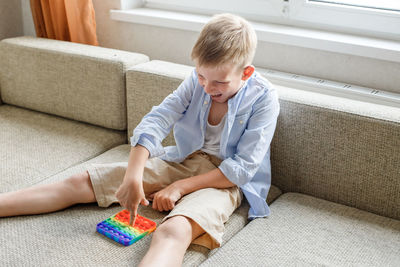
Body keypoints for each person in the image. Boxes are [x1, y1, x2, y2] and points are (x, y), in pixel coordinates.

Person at [0, 13, 280, 266]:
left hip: (223, 181)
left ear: (245, 73)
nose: (206, 87)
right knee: (82, 181)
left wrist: (180, 187)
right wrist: (133, 174)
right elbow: (157, 119)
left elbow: (241, 169)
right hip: (183, 160)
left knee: (173, 230)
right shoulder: (199, 81)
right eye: (201, 75)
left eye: (219, 82)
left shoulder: (264, 99)